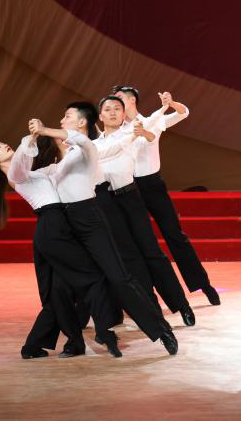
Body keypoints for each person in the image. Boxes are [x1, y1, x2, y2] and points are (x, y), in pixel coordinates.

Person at [28, 103, 178, 355]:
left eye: (67, 116)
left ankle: (161, 330)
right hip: (65, 224)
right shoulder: (56, 159)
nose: (62, 120)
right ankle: (77, 340)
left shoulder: (89, 148)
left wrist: (44, 130)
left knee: (119, 277)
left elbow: (89, 141)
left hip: (89, 219)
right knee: (66, 286)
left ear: (81, 123)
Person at [0, 135, 121, 357]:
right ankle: (105, 333)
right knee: (92, 277)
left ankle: (40, 346)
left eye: (1, 143)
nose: (3, 144)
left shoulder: (31, 172)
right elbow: (22, 158)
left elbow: (60, 167)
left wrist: (78, 148)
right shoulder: (15, 174)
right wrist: (30, 139)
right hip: (53, 229)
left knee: (58, 293)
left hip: (53, 228)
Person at [113, 85, 220, 307]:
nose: (115, 102)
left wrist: (170, 104)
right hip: (130, 189)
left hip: (152, 185)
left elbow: (183, 113)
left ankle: (203, 284)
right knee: (142, 243)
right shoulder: (117, 130)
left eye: (119, 98)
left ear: (132, 100)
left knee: (175, 235)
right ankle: (147, 296)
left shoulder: (154, 120)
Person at [93, 94, 194, 326]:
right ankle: (152, 311)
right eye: (107, 109)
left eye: (117, 109)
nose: (112, 112)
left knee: (152, 253)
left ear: (123, 113)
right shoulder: (95, 145)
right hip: (107, 203)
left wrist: (147, 130)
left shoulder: (132, 131)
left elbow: (150, 136)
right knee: (130, 259)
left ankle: (181, 305)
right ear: (100, 116)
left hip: (130, 197)